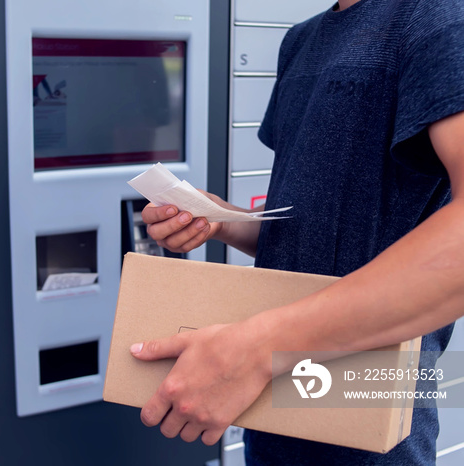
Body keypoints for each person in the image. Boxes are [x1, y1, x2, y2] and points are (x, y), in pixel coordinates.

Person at [131, 0, 464, 464]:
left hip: (367, 405)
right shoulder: (302, 41)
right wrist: (218, 219)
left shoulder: (440, 18)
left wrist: (257, 348)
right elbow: (310, 231)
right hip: (273, 406)